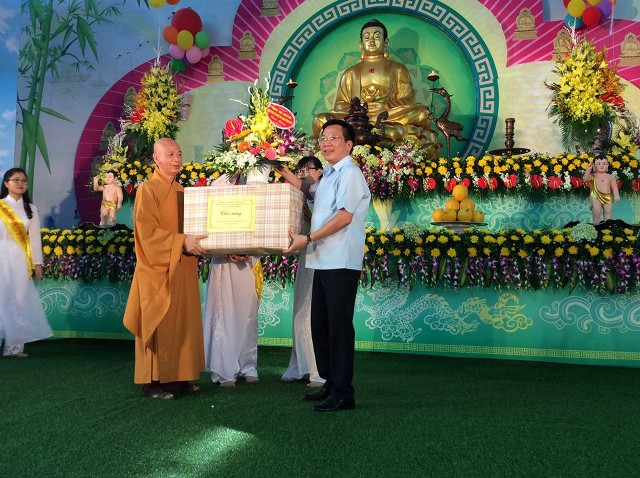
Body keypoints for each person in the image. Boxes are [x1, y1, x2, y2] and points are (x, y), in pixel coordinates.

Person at [286, 119, 371, 412]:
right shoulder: (329, 175)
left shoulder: (351, 174)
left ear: (349, 144)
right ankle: (330, 381)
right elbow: (312, 193)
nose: (326, 142)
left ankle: (343, 392)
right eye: (323, 138)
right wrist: (285, 173)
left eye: (333, 138)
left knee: (338, 328)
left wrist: (308, 238)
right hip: (322, 261)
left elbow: (345, 217)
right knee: (320, 325)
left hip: (340, 261)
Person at [123, 138, 207, 400]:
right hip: (156, 268)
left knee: (183, 322)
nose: (176, 159)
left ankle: (180, 377)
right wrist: (181, 242)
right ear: (156, 159)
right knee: (159, 323)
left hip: (182, 266)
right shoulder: (147, 189)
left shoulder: (183, 191)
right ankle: (154, 382)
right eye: (170, 154)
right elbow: (146, 234)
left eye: (179, 154)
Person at [312, 18, 438, 148]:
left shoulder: (397, 68)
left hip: (388, 115)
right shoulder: (351, 72)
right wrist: (360, 108)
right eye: (367, 38)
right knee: (320, 120)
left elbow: (409, 99)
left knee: (423, 112)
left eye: (377, 37)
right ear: (361, 44)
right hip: (356, 119)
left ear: (385, 43)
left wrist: (385, 106)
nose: (371, 41)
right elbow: (339, 105)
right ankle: (391, 138)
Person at [202, 175, 262, 388]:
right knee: (225, 313)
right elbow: (208, 226)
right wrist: (226, 252)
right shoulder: (219, 185)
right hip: (223, 263)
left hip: (249, 261)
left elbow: (264, 226)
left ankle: (247, 365)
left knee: (248, 315)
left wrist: (251, 252)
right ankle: (224, 368)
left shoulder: (258, 183)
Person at [278, 156, 325, 387]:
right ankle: (299, 366)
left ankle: (317, 370)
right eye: (300, 170)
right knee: (300, 310)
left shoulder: (324, 191)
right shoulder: (300, 197)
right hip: (307, 256)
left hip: (324, 256)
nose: (303, 174)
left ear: (320, 172)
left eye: (308, 170)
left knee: (313, 312)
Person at [0, 168, 53, 357]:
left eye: (24, 181)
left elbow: (34, 239)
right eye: (16, 180)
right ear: (6, 183)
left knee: (19, 300)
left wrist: (38, 263)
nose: (20, 184)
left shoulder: (30, 209)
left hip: (20, 259)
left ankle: (14, 347)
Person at [583, 156, 620, 225]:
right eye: (599, 164)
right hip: (595, 195)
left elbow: (614, 187)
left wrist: (616, 196)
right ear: (594, 166)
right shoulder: (593, 176)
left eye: (604, 164)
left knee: (608, 211)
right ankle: (596, 225)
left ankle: (607, 226)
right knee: (597, 210)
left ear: (607, 165)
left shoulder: (610, 177)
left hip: (607, 196)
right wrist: (588, 170)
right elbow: (586, 178)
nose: (601, 165)